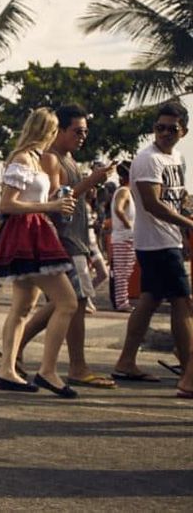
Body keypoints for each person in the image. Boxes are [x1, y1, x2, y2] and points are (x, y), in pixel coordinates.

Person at [14, 105, 117, 390]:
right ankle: (77, 367)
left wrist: (89, 185)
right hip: (65, 239)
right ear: (59, 130)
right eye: (77, 131)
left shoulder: (68, 158)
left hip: (77, 237)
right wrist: (90, 182)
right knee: (75, 301)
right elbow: (54, 200)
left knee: (64, 302)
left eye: (85, 132)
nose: (82, 137)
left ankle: (15, 348)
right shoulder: (50, 158)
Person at [0, 107, 79, 398]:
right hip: (28, 234)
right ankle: (47, 370)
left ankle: (7, 370)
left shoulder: (32, 159)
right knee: (67, 302)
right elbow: (6, 204)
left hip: (31, 233)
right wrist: (50, 205)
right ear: (48, 131)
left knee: (22, 308)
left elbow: (26, 199)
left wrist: (55, 199)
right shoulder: (23, 159)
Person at [112, 102, 193, 399]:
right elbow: (152, 204)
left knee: (149, 299)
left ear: (183, 131)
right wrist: (189, 224)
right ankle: (189, 373)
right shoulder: (148, 159)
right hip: (157, 242)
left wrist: (185, 223)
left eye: (172, 128)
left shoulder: (177, 158)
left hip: (168, 239)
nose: (165, 133)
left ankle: (126, 361)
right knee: (183, 302)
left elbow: (176, 198)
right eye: (160, 127)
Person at [110, 161, 135, 312]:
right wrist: (128, 224)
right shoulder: (124, 191)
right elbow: (118, 209)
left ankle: (121, 301)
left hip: (126, 237)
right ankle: (121, 302)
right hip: (123, 237)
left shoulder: (126, 191)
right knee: (122, 272)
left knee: (125, 271)